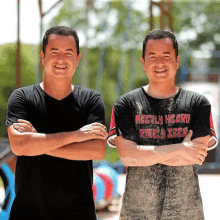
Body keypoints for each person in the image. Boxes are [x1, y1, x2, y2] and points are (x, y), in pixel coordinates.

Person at [107, 29, 218, 220]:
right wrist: (180, 148)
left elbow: (197, 157)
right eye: (152, 56)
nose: (159, 63)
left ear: (177, 60)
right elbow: (127, 157)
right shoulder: (126, 104)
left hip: (187, 214)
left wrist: (143, 154)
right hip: (137, 214)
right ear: (143, 63)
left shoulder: (198, 104)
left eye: (166, 55)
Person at [6, 26, 108, 220]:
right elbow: (19, 145)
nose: (61, 59)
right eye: (54, 52)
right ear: (42, 56)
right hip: (29, 213)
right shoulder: (21, 98)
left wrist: (37, 142)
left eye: (68, 52)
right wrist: (77, 135)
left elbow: (96, 150)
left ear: (77, 59)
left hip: (79, 214)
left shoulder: (91, 100)